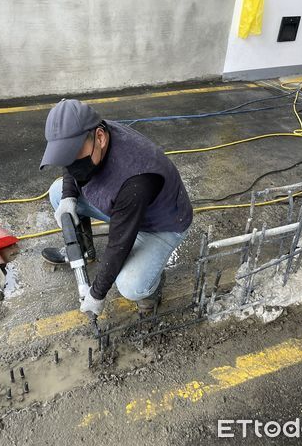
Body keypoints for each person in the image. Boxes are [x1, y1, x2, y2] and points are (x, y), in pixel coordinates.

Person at [39, 99, 193, 316]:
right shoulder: (90, 131)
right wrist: (68, 198)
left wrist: (96, 294)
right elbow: (69, 163)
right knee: (58, 193)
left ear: (100, 138)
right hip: (124, 207)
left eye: (73, 154)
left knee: (131, 286)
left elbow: (119, 243)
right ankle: (83, 250)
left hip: (161, 223)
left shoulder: (136, 178)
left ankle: (152, 287)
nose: (70, 164)